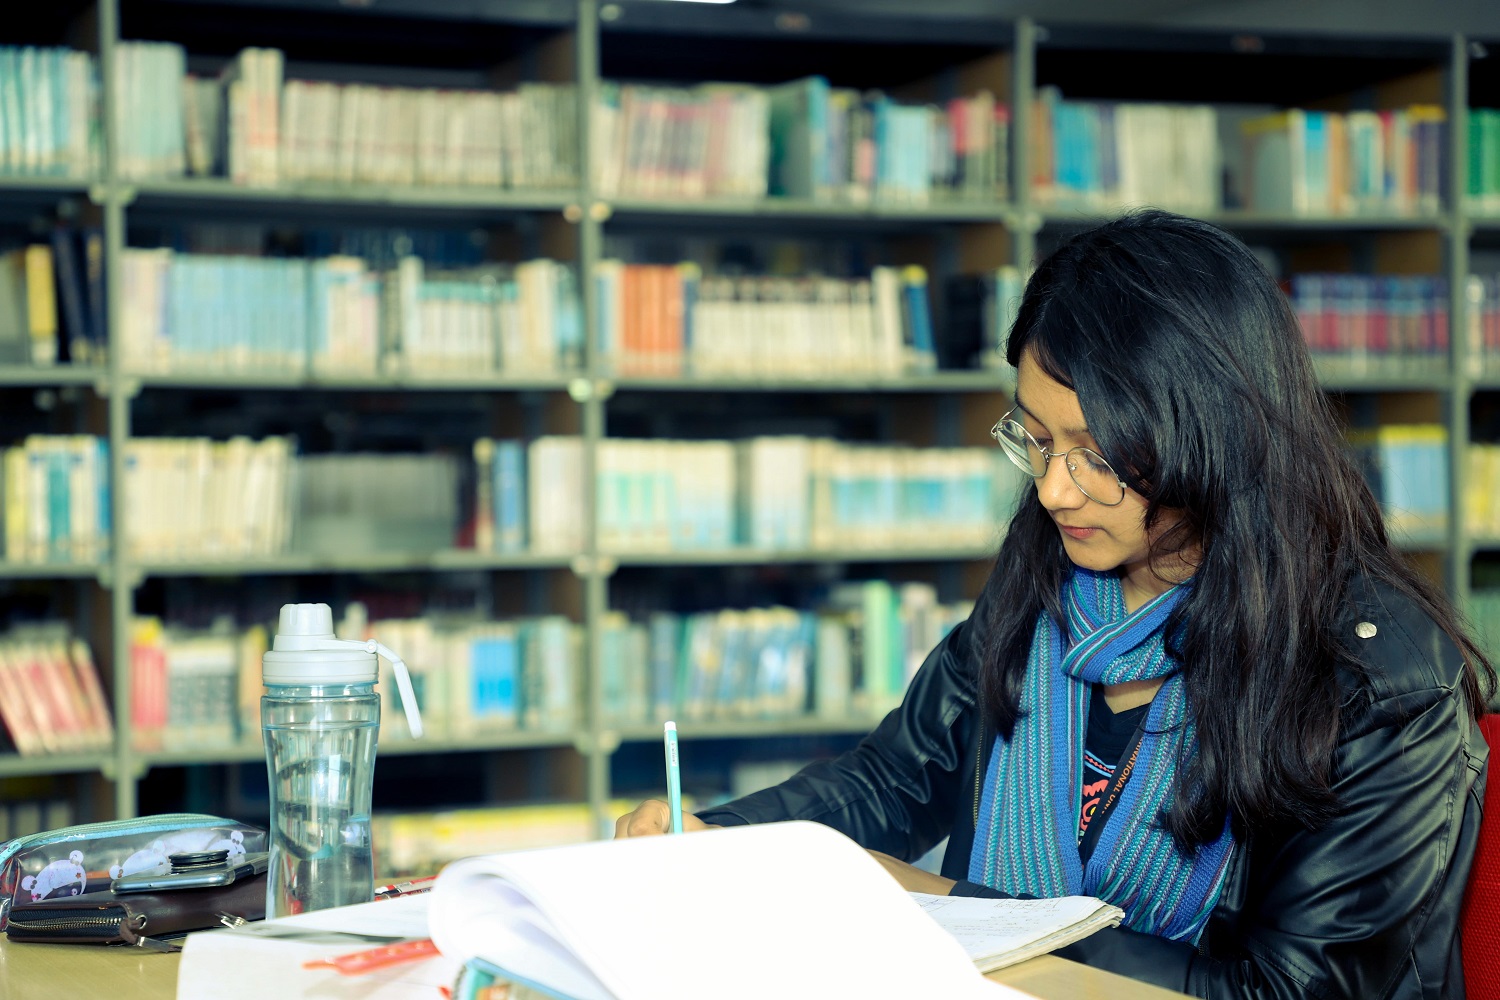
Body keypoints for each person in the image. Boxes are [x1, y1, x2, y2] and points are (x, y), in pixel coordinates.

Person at [614, 209, 1495, 998]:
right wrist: (725, 837)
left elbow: (1289, 991)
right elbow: (898, 778)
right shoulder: (1050, 576)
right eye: (1034, 440)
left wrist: (953, 908)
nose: (1053, 491)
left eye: (1097, 456)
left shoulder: (1378, 679)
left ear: (1217, 438)